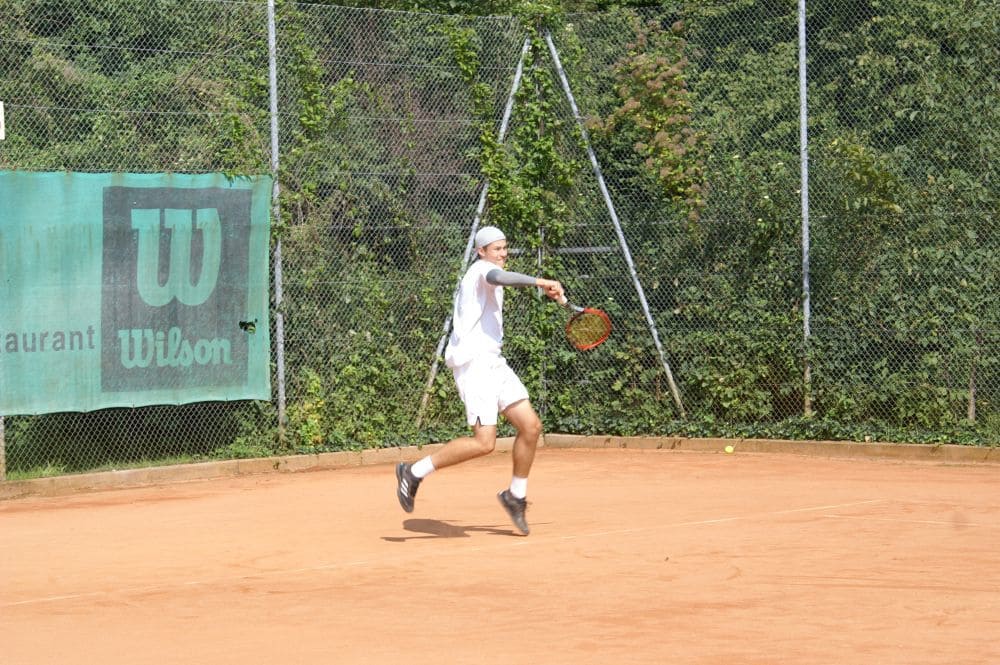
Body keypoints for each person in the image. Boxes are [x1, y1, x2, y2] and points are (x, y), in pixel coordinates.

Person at [395, 225, 564, 535]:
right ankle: (413, 471)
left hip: (493, 362)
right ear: (481, 251)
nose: (502, 254)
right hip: (472, 364)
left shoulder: (490, 271)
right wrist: (541, 281)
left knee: (531, 426)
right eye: (496, 249)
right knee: (485, 443)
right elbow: (498, 276)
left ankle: (516, 495)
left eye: (504, 248)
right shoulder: (481, 271)